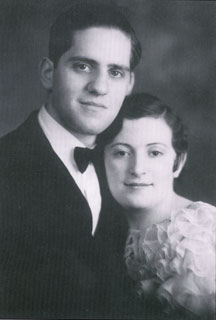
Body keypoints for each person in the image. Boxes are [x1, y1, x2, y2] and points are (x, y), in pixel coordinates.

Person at [0, 2, 141, 318]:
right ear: (49, 73)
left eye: (115, 72)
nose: (100, 87)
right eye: (83, 66)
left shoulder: (124, 167)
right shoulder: (4, 165)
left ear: (129, 84)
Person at [98, 93, 216, 319]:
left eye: (154, 153)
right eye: (122, 153)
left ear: (178, 163)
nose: (137, 168)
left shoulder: (196, 236)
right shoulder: (103, 226)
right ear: (102, 160)